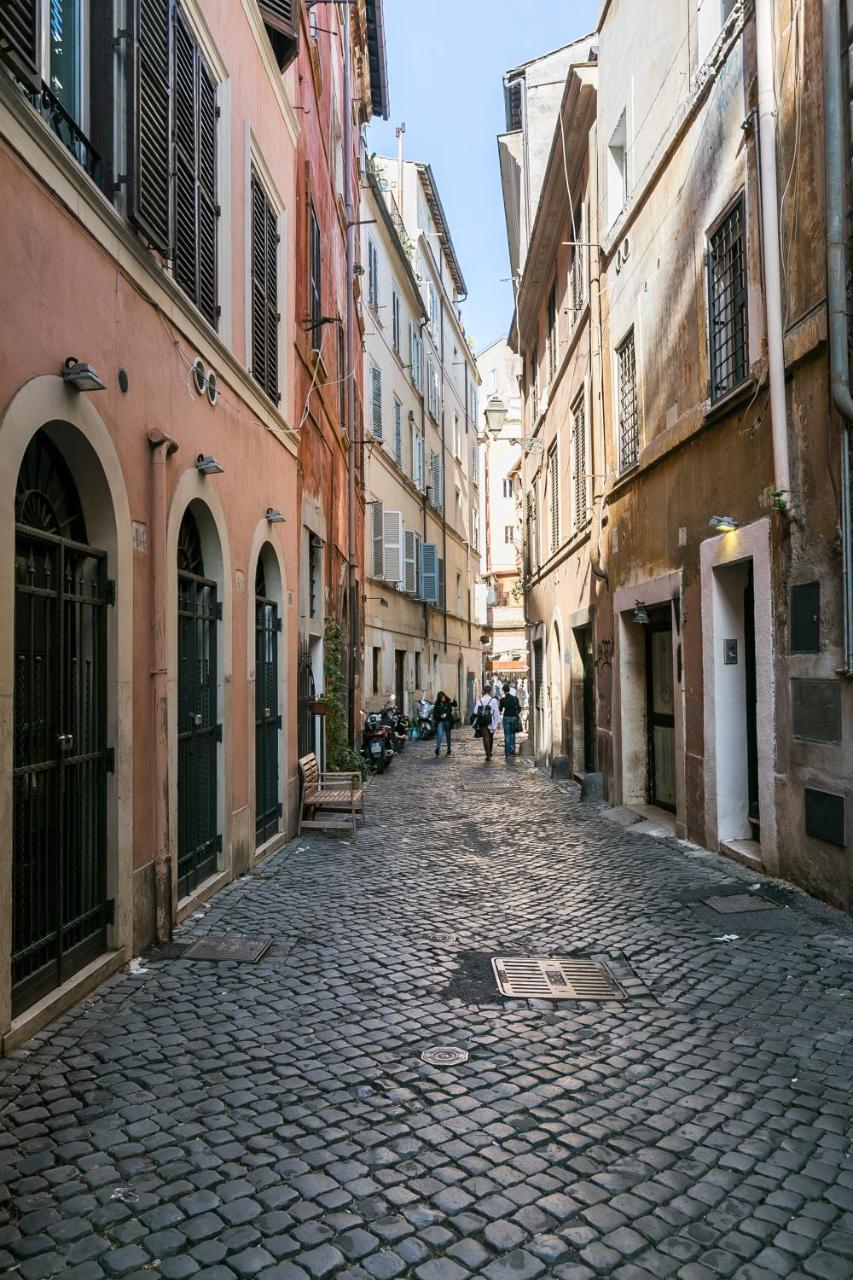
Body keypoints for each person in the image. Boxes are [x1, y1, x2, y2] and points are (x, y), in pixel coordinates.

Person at [472, 683, 500, 761]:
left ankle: (487, 754)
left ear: (483, 691)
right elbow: (497, 712)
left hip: (482, 721)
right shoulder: (493, 700)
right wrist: (498, 723)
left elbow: (475, 712)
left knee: (485, 738)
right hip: (491, 721)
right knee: (491, 737)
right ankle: (490, 751)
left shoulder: (479, 700)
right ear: (490, 691)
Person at [499, 682, 522, 759]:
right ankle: (512, 750)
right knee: (513, 734)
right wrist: (516, 714)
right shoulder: (515, 698)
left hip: (506, 717)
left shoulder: (503, 699)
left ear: (503, 691)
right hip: (514, 717)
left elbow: (500, 709)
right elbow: (519, 708)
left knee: (507, 735)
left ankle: (507, 753)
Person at [432, 691, 456, 756]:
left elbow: (454, 705)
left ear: (445, 696)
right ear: (439, 698)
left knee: (448, 735)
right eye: (441, 697)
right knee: (439, 734)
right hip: (440, 721)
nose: (443, 698)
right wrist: (440, 716)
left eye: (443, 697)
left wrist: (454, 700)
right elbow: (434, 713)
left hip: (447, 720)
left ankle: (449, 749)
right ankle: (437, 748)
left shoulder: (448, 702)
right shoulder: (437, 704)